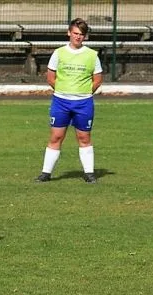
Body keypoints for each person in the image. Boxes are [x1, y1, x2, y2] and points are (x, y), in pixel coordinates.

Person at [35, 18, 103, 184]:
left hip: (83, 103)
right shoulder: (58, 53)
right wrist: (63, 91)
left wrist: (84, 93)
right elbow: (50, 77)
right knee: (56, 137)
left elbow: (97, 80)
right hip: (61, 102)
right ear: (69, 33)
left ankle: (89, 173)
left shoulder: (92, 55)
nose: (78, 37)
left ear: (85, 36)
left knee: (84, 137)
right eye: (75, 33)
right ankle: (45, 173)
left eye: (81, 34)